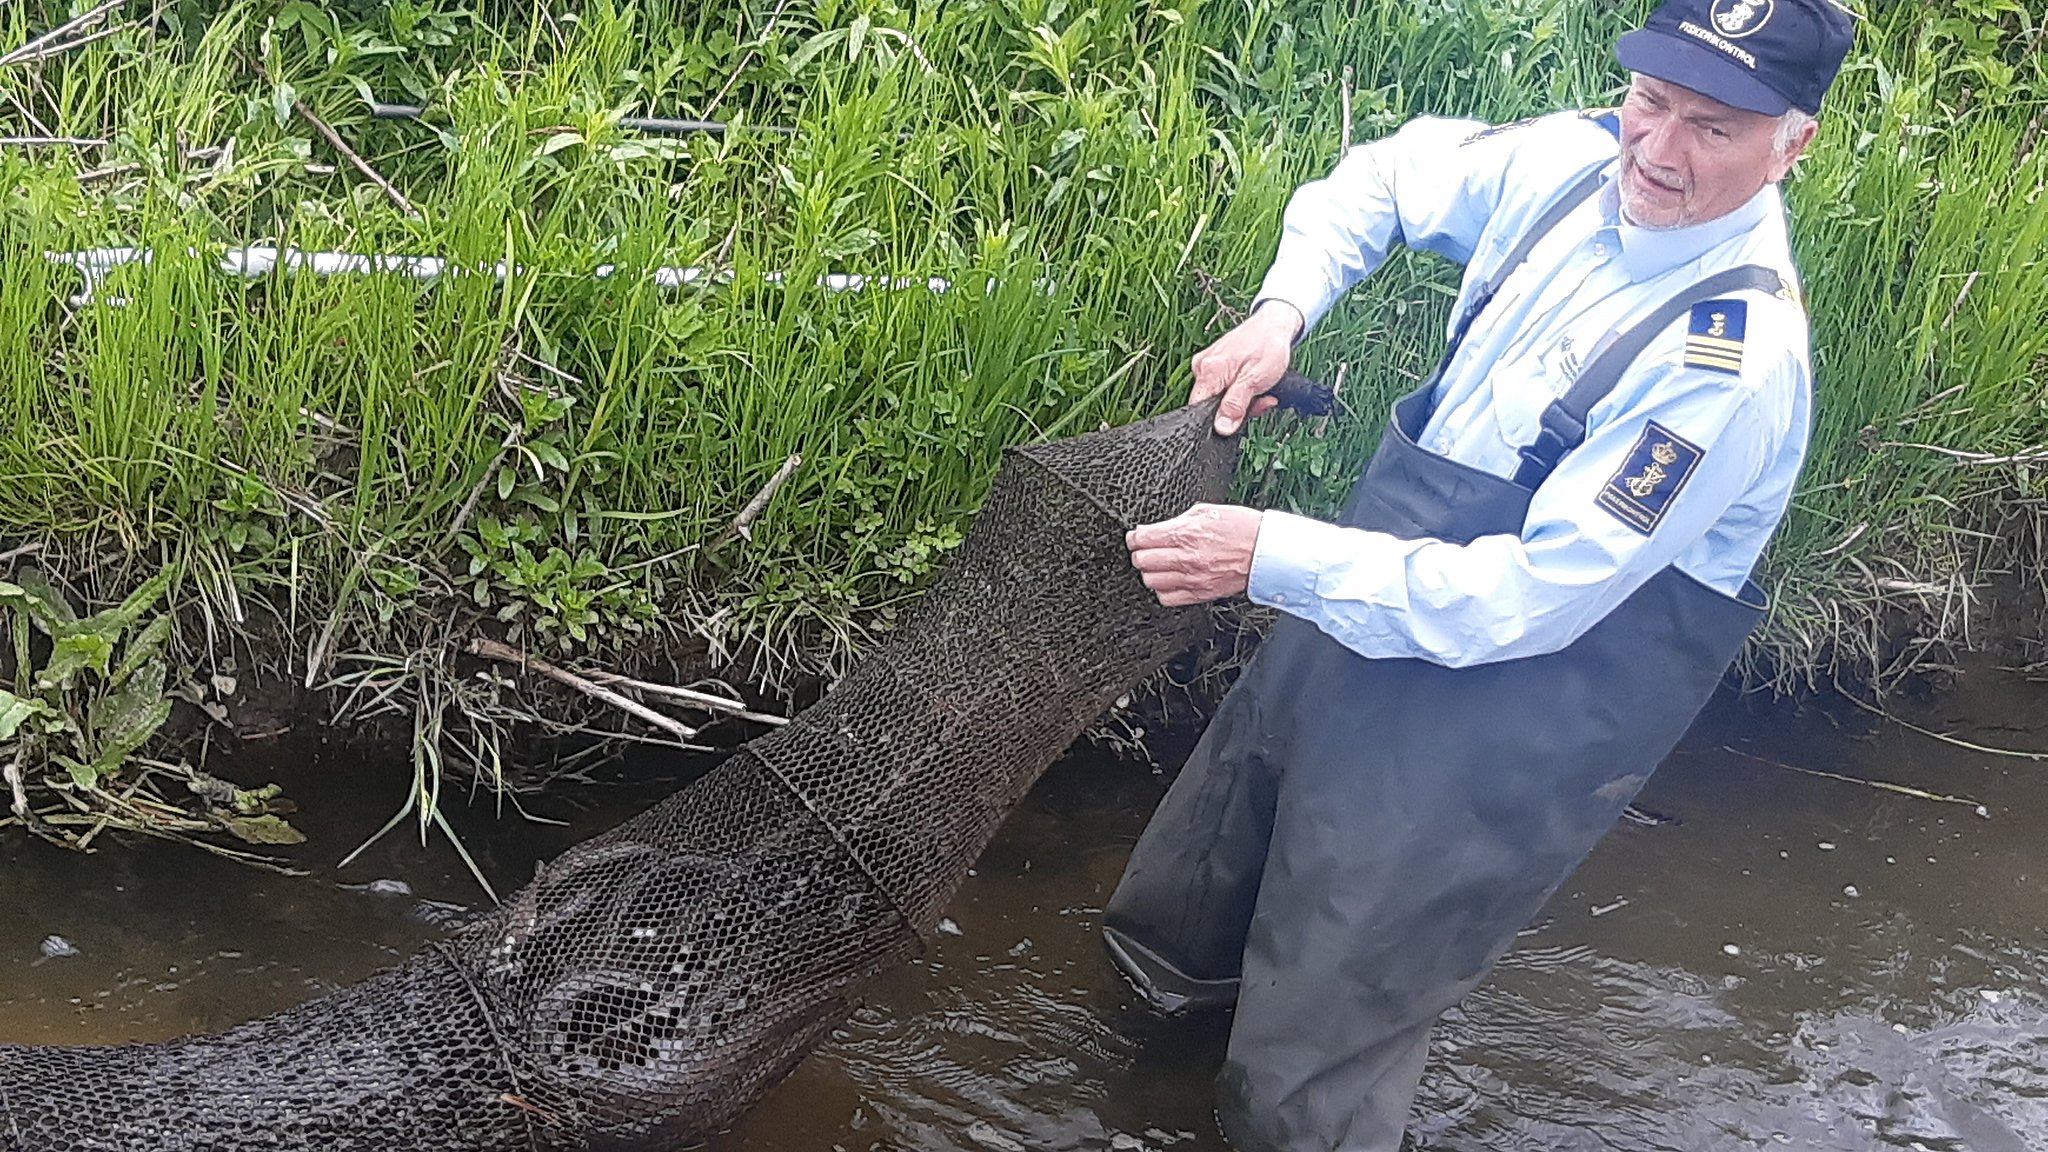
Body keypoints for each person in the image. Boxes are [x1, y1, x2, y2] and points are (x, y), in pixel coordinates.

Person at [1105, 1, 1858, 1149]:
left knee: (1322, 1028)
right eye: (1650, 102)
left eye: (1713, 129)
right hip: (1358, 602)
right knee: (1192, 893)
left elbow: (1531, 597)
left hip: (1512, 700)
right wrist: (1281, 308)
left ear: (1789, 144)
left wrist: (1268, 552)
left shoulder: (1729, 366)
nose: (1656, 154)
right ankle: (1123, 1081)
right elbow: (1381, 178)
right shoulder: (1567, 159)